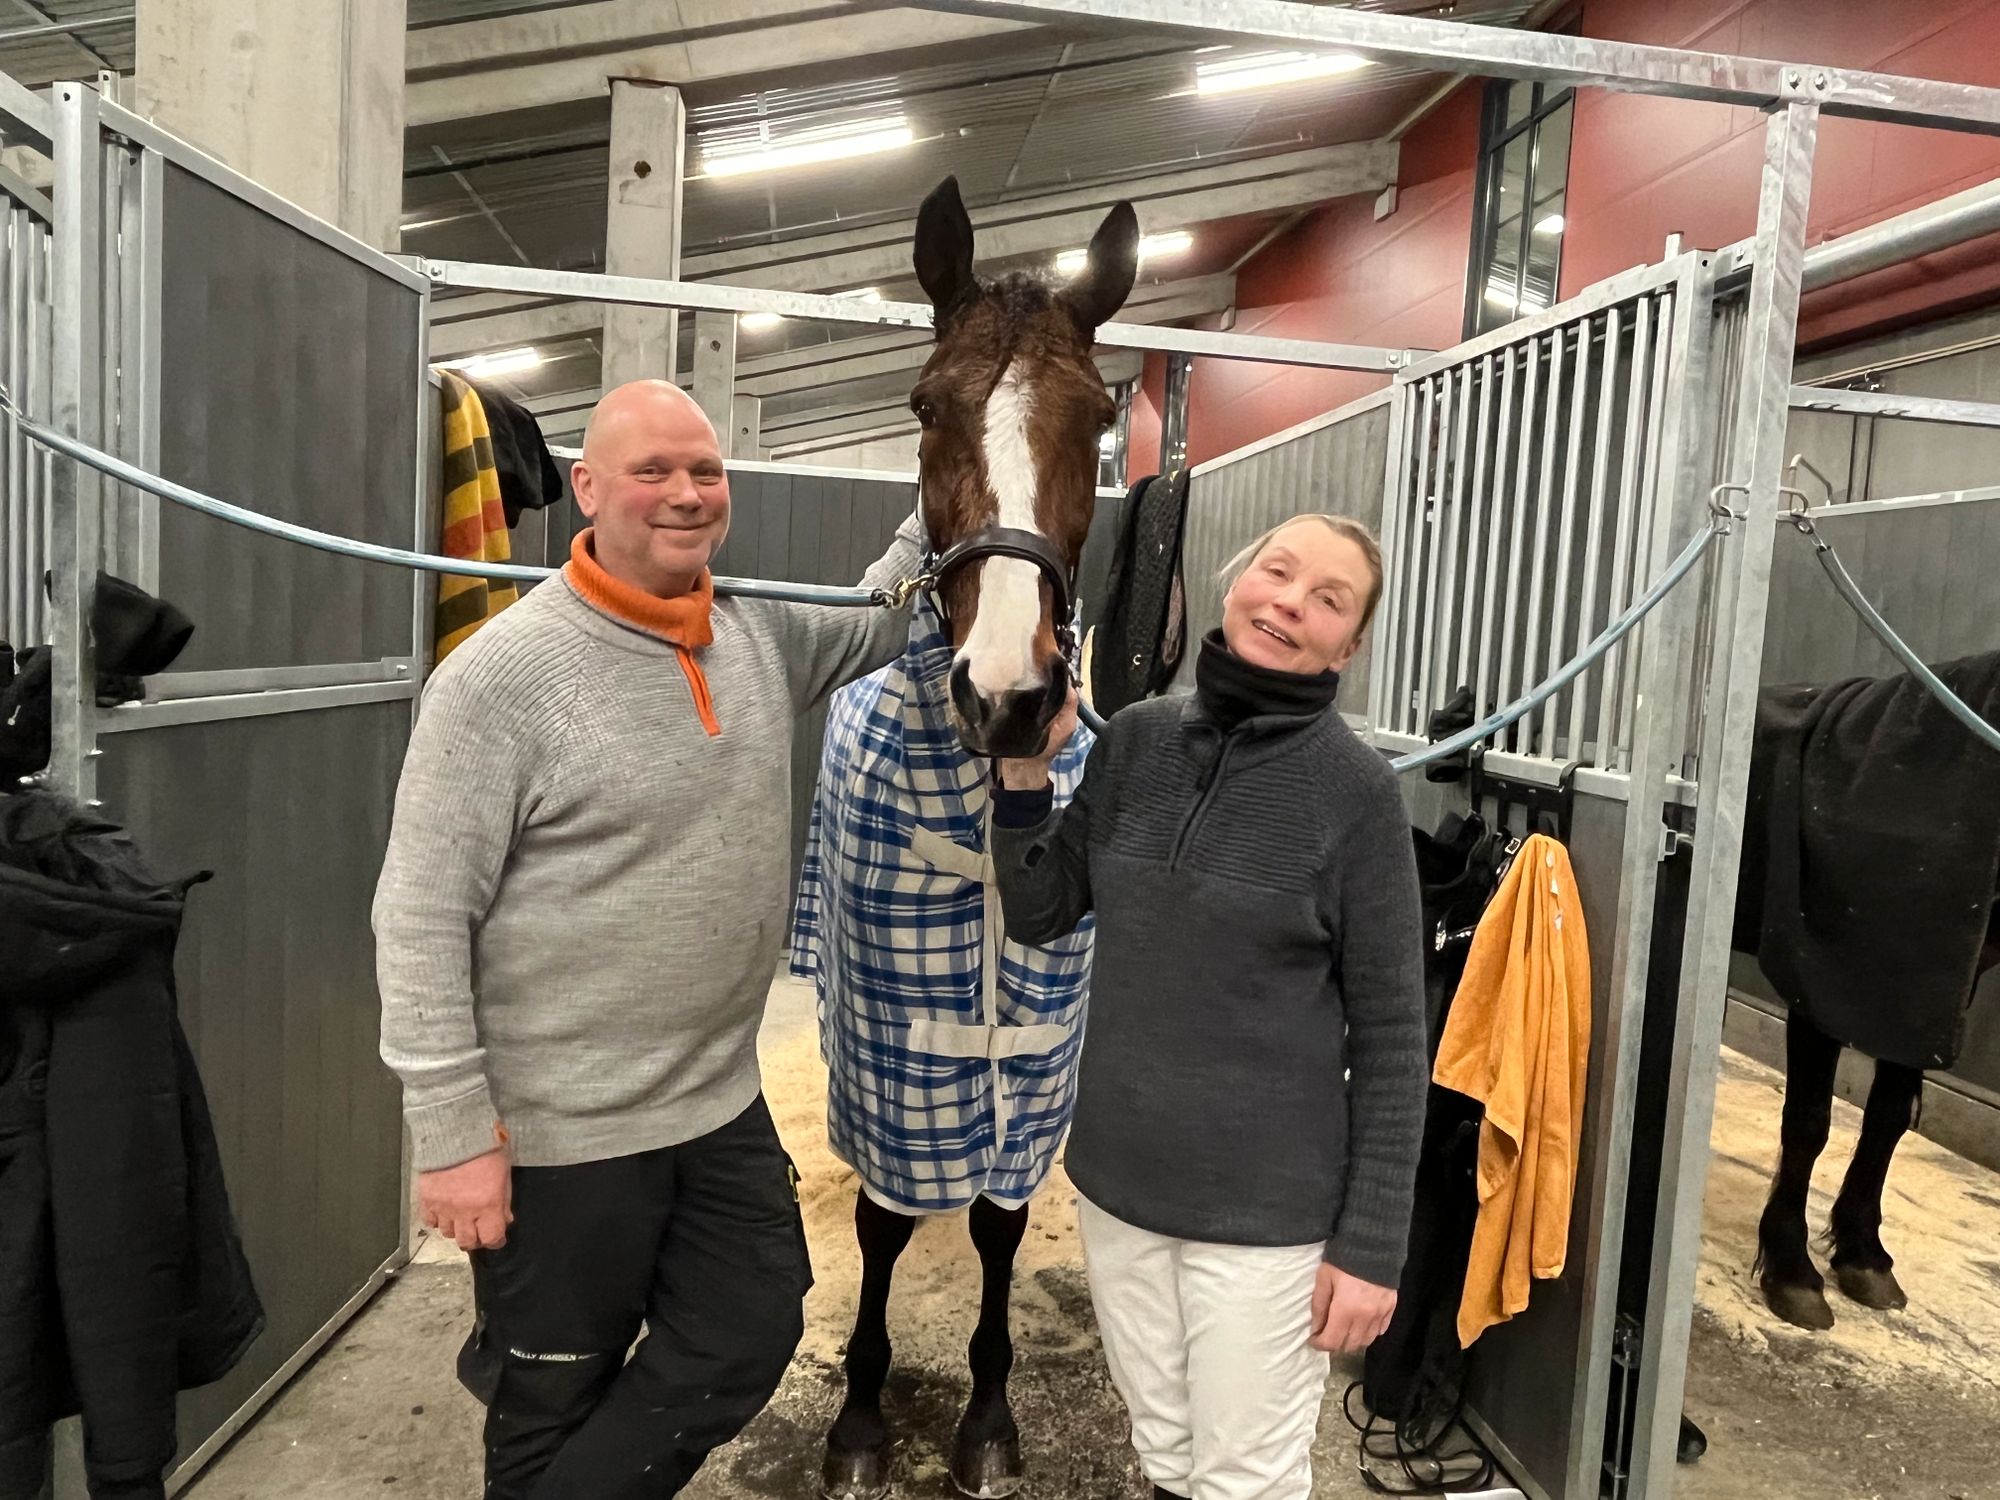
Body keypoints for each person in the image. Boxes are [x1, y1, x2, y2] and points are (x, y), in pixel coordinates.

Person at [372, 379, 923, 1500]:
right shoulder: (497, 680)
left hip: (715, 1100)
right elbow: (420, 915)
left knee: (750, 1327)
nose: (686, 494)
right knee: (550, 1394)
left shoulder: (755, 630)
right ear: (585, 490)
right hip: (561, 1130)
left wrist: (951, 482)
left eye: (705, 471)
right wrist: (450, 1134)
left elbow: (884, 611)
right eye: (652, 471)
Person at [990, 513, 1427, 1500]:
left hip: (1266, 1222)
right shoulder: (1136, 742)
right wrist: (1021, 772)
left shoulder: (1356, 795)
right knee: (1167, 1452)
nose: (1289, 602)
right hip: (1118, 1189)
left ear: (1348, 645)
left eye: (1328, 600)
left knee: (1245, 1480)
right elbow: (1038, 911)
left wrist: (1369, 1248)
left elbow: (1396, 1043)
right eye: (1276, 573)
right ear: (1233, 586)